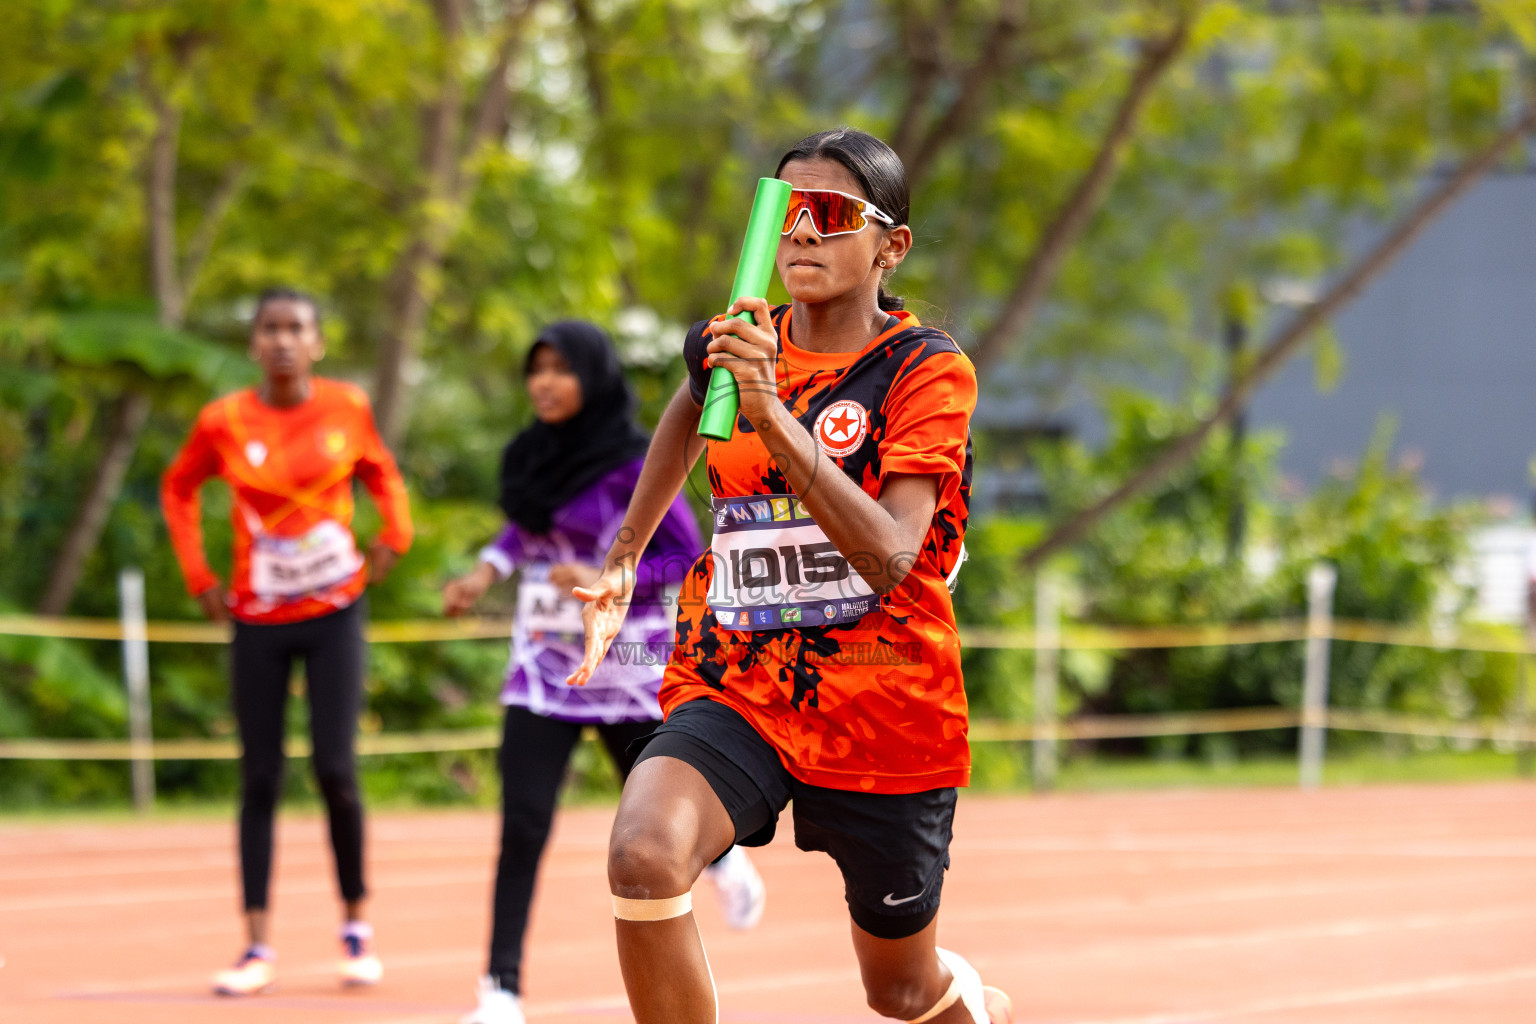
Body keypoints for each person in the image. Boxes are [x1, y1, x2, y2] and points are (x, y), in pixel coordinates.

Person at [566, 128, 1010, 1024]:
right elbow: (689, 411)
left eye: (832, 215)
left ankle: (970, 1005)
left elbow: (892, 557)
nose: (802, 233)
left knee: (901, 993)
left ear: (891, 246)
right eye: (787, 212)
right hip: (740, 679)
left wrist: (773, 416)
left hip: (884, 703)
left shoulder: (926, 370)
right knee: (644, 854)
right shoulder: (736, 343)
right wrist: (624, 556)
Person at [441, 322, 767, 1024]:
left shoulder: (627, 461)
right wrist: (481, 574)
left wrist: (601, 577)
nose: (546, 383)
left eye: (562, 369)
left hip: (624, 666)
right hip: (544, 668)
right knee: (523, 821)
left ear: (593, 376)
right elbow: (523, 532)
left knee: (653, 817)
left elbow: (682, 563)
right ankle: (499, 993)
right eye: (537, 370)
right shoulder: (531, 456)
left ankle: (721, 861)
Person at [161, 288, 412, 996]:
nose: (281, 340)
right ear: (253, 344)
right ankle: (256, 946)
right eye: (269, 329)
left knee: (336, 767)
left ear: (317, 343)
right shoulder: (224, 420)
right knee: (260, 775)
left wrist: (396, 533)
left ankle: (356, 928)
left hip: (334, 610)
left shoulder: (348, 407)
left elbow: (381, 472)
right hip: (256, 616)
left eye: (295, 328)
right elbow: (178, 489)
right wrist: (198, 577)